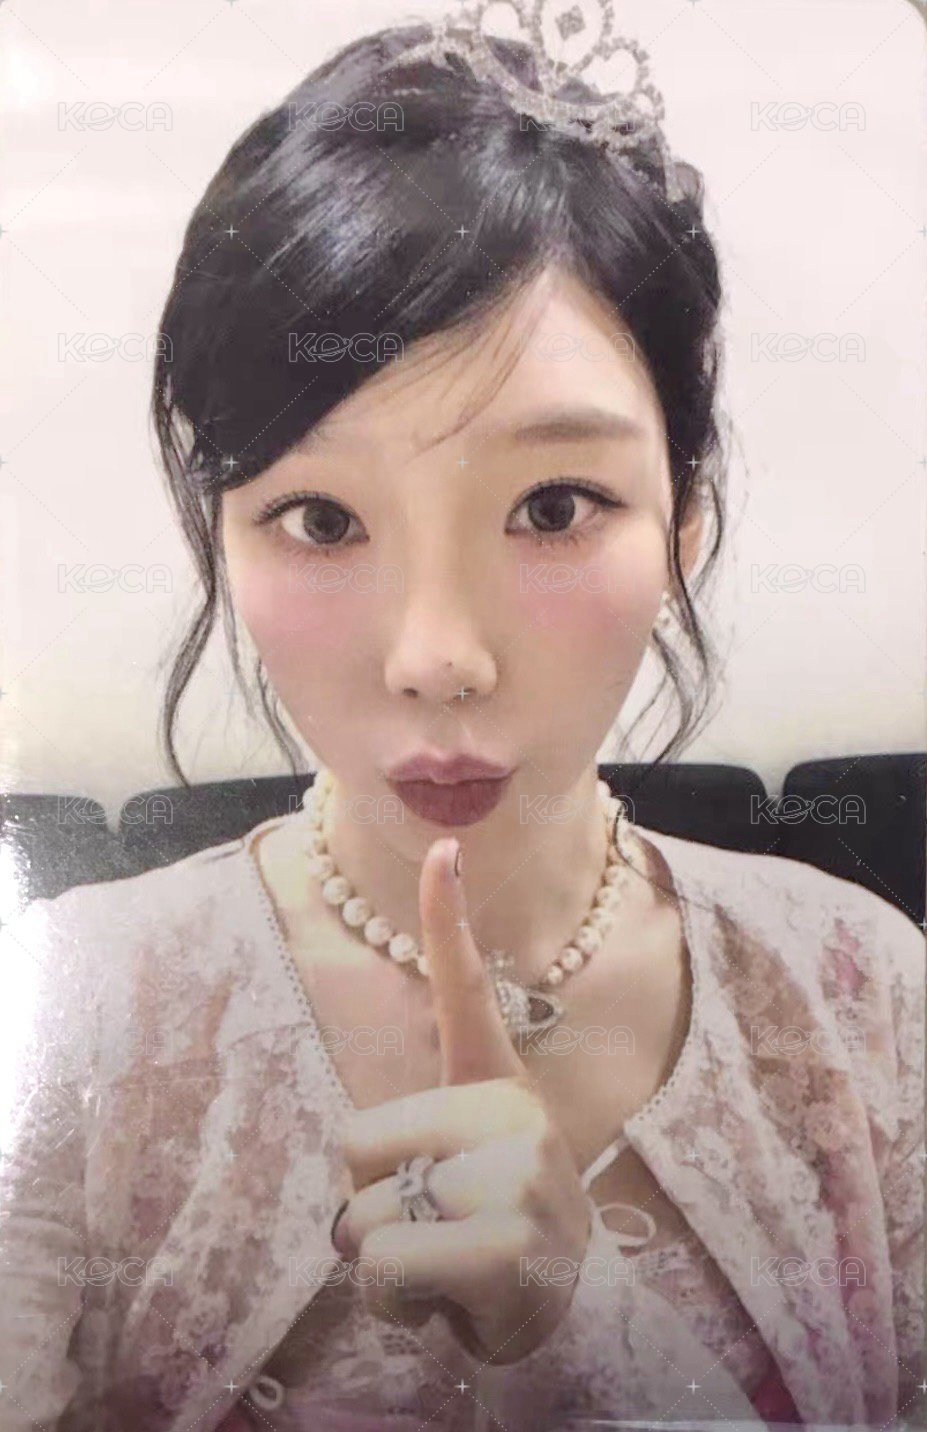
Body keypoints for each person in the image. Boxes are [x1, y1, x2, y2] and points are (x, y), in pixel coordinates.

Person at [0, 5, 923, 1430]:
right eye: (321, 519)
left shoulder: (865, 1001)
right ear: (221, 539)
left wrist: (588, 1330)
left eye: (554, 507)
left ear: (683, 522)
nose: (439, 661)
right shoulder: (63, 1026)